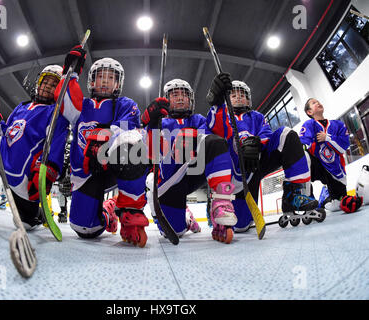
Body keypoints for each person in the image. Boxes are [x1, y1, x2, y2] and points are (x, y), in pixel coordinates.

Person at [0, 64, 69, 229]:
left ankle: (40, 214)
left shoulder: (56, 115)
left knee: (25, 223)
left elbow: (56, 148)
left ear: (59, 90)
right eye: (45, 82)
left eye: (54, 85)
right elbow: (6, 133)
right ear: (39, 83)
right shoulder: (21, 107)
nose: (47, 86)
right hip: (3, 163)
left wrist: (47, 173)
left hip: (24, 181)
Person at [57, 50, 150, 247]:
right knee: (85, 229)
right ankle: (109, 211)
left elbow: (128, 130)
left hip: (115, 167)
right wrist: (69, 73)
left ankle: (130, 210)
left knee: (133, 142)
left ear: (118, 83)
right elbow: (63, 103)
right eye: (101, 77)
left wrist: (102, 148)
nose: (105, 82)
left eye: (110, 78)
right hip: (86, 172)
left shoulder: (126, 104)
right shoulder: (81, 105)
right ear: (91, 81)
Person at [206, 73, 319, 231]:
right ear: (226, 98)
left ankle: (294, 193)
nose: (238, 97)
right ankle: (216, 203)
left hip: (256, 164)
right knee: (241, 225)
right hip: (234, 176)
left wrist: (257, 143)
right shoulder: (222, 115)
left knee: (287, 134)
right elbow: (213, 129)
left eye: (242, 94)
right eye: (233, 94)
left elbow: (267, 133)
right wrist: (217, 104)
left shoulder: (257, 116)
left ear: (249, 99)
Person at [142, 79, 236, 243]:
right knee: (175, 230)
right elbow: (150, 154)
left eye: (184, 95)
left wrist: (219, 105)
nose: (179, 98)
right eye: (174, 95)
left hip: (194, 172)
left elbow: (220, 139)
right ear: (167, 99)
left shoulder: (199, 120)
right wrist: (150, 125)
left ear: (190, 99)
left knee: (215, 142)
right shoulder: (160, 123)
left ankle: (221, 203)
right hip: (170, 180)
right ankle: (187, 219)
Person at [300, 98, 350, 211]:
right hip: (317, 165)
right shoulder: (309, 124)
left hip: (335, 168)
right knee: (302, 157)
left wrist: (327, 138)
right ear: (309, 112)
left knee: (339, 204)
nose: (318, 103)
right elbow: (303, 143)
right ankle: (308, 198)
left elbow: (344, 146)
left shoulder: (338, 124)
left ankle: (326, 198)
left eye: (318, 101)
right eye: (314, 103)